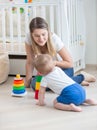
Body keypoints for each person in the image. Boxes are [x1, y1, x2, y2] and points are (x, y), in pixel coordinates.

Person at [24, 17, 96, 89]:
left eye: (43, 34)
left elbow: (70, 63)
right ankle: (73, 81)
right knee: (34, 85)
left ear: (48, 32)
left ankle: (82, 77)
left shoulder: (55, 40)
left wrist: (54, 63)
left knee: (53, 83)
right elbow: (30, 62)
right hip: (47, 71)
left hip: (63, 69)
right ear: (31, 34)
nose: (41, 39)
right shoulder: (29, 38)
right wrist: (27, 81)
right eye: (37, 36)